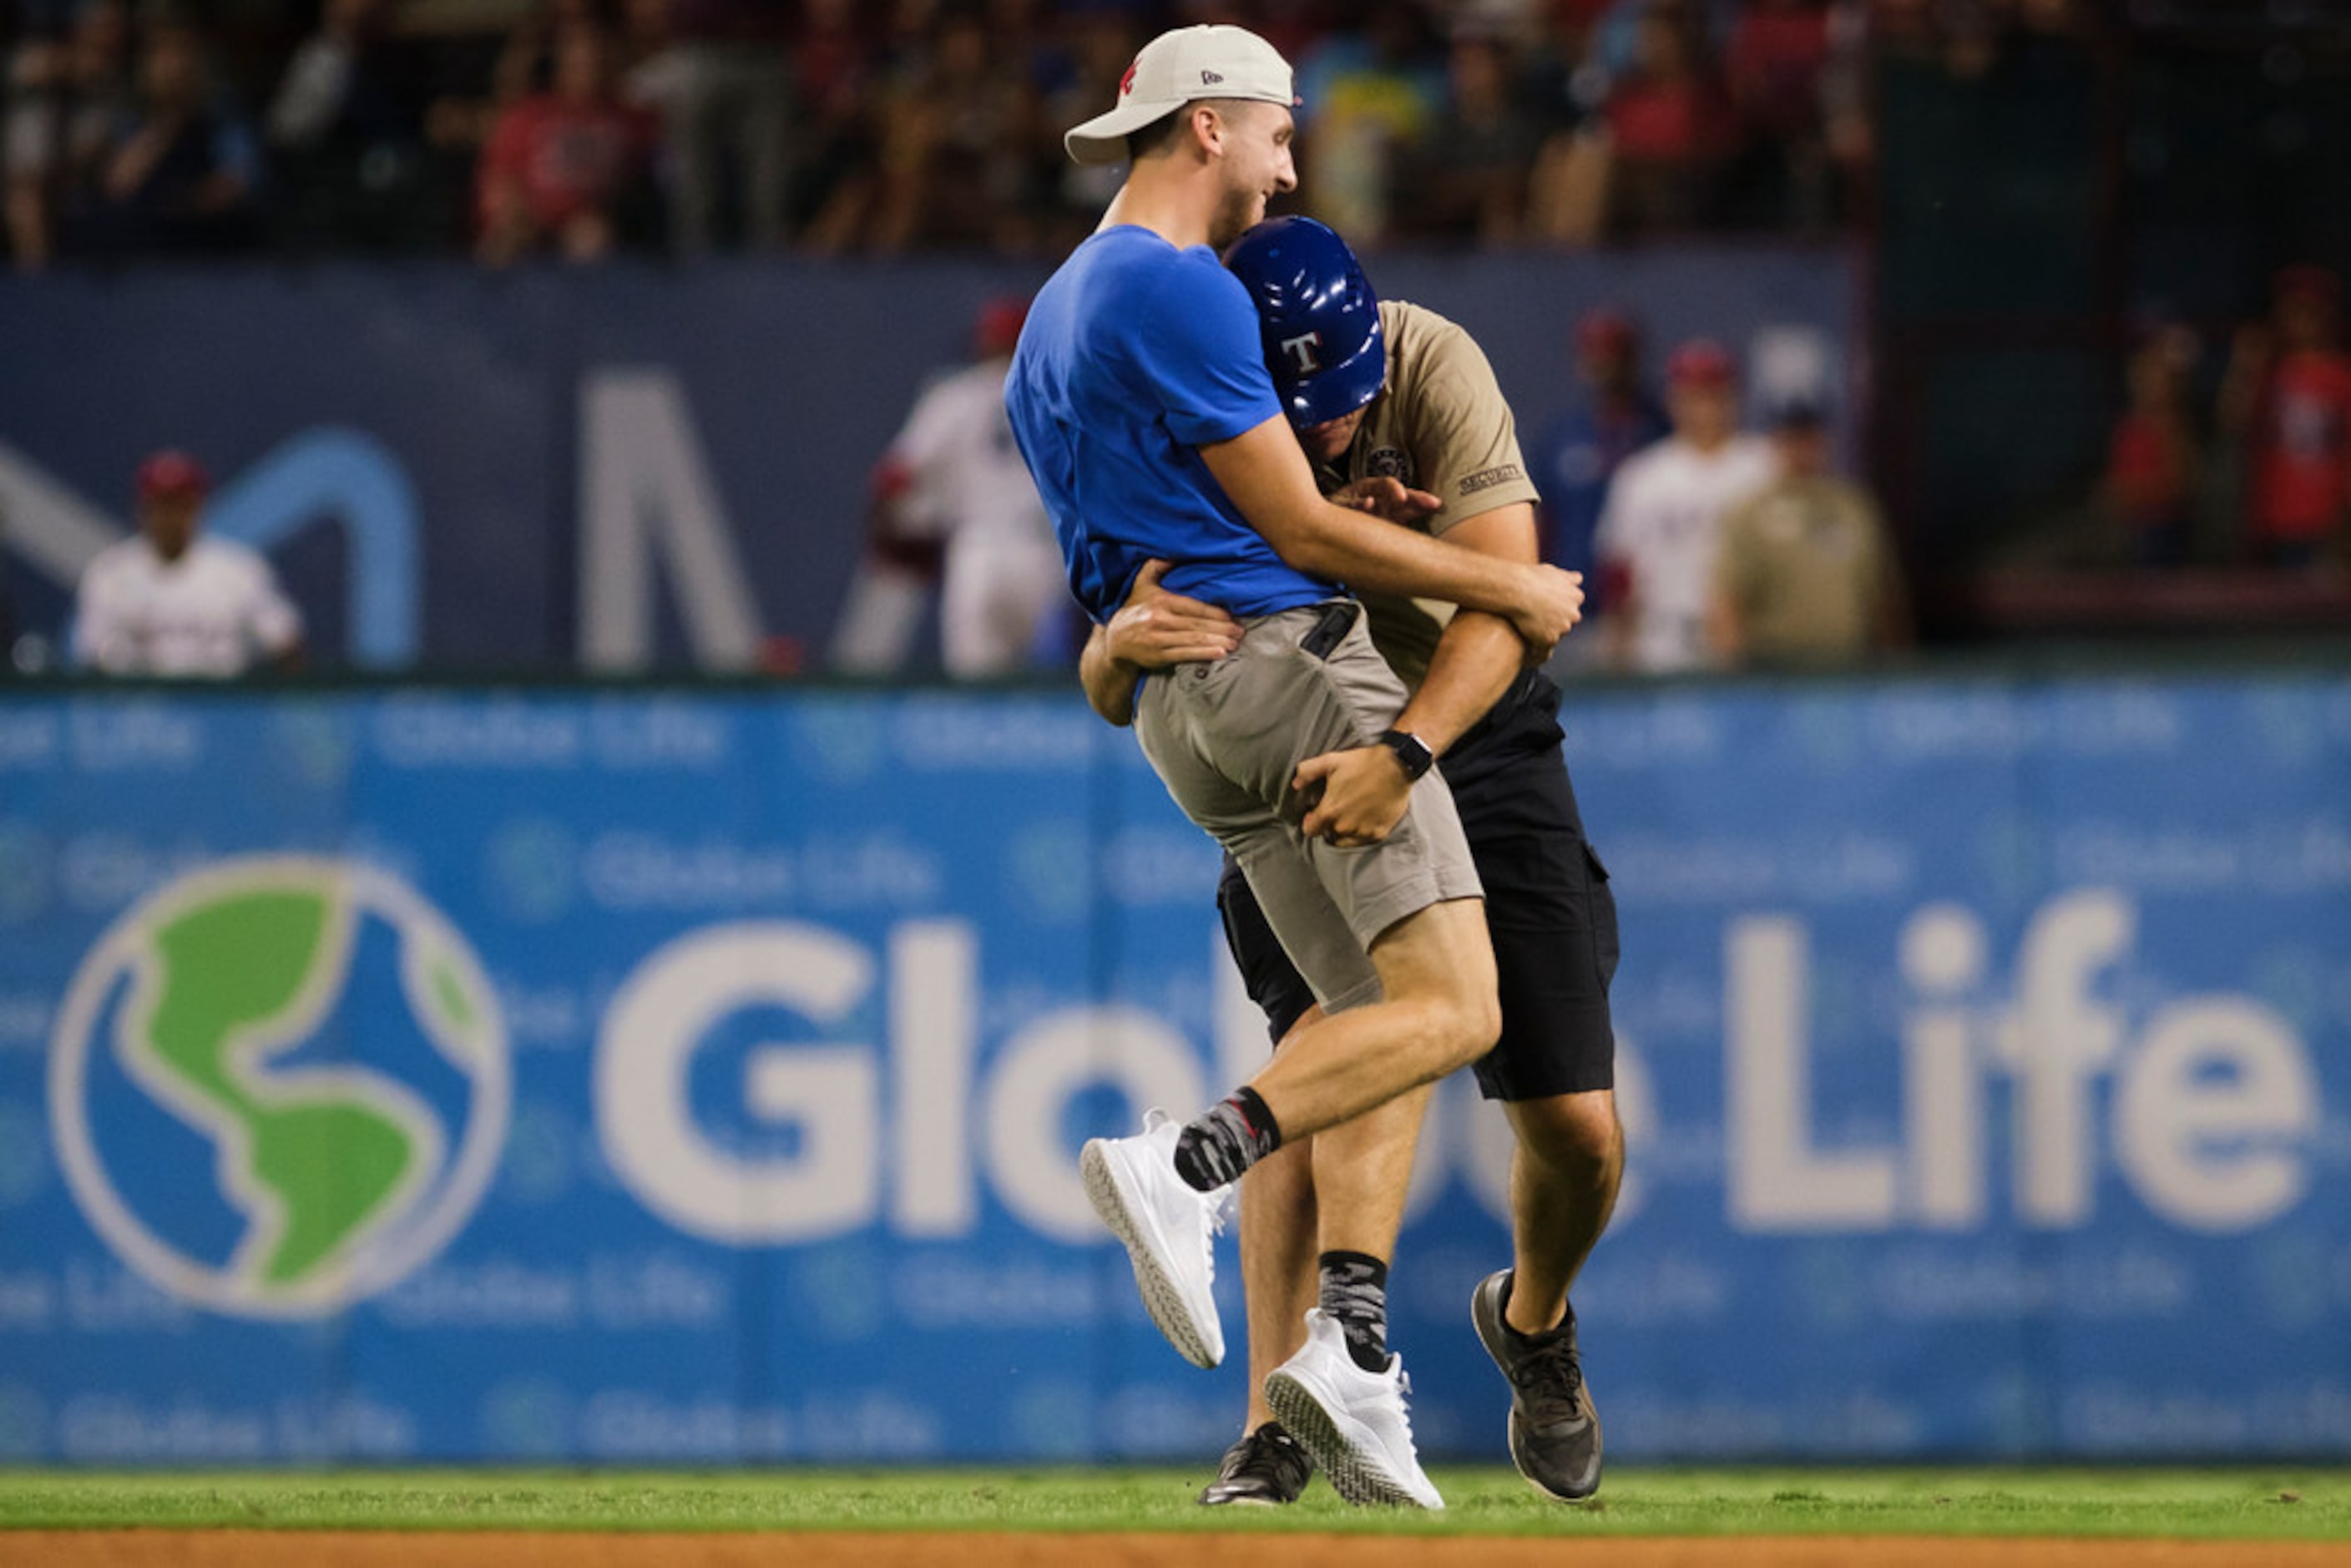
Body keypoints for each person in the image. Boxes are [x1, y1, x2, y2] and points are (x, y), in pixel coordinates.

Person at [1003, 23, 1583, 1510]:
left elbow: (1138, 561)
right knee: (1458, 1003)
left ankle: (1346, 1370)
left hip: (1181, 713)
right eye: (1275, 128)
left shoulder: (1052, 312)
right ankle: (1183, 1163)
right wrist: (1507, 591)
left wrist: (1114, 646)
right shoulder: (1186, 284)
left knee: (1359, 1017)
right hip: (1290, 672)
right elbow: (1311, 539)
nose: (1286, 155)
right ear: (1206, 125)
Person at [830, 296, 1065, 679]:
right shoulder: (1058, 395)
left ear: (984, 341)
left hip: (978, 552)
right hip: (1046, 557)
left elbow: (893, 478)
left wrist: (887, 529)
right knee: (1048, 691)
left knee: (975, 689)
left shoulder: (957, 395)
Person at [1595, 338, 1775, 673]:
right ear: (1673, 399)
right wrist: (1619, 646)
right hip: (1663, 641)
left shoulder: (1766, 466)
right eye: (1693, 394)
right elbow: (1620, 575)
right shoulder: (1641, 476)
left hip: (1752, 644)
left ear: (1734, 397)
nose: (1704, 407)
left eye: (1714, 393)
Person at [1706, 399, 1909, 668]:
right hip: (1775, 670)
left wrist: (1897, 666)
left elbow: (1883, 595)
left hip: (1847, 667)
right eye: (1792, 439)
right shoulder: (1750, 512)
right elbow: (1726, 600)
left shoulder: (1853, 507)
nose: (1801, 449)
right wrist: (1734, 673)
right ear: (1775, 443)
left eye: (1809, 438)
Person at [73, 451, 305, 676]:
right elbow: (91, 660)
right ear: (142, 509)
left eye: (181, 505)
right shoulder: (110, 575)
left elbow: (285, 643)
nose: (171, 516)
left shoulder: (239, 571)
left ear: (197, 508)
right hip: (135, 710)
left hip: (220, 708)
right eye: (162, 504)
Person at [1529, 309, 1669, 661]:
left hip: (1645, 617)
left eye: (1614, 355)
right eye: (1596, 354)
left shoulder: (1659, 432)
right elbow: (1543, 524)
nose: (1603, 365)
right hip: (1569, 608)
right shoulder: (1564, 435)